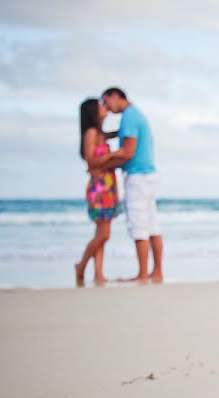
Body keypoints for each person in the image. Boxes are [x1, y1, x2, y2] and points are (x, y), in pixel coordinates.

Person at [100, 87, 163, 283]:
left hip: (137, 177)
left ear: (115, 96)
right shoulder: (135, 115)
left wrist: (103, 162)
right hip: (149, 175)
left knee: (138, 226)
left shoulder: (128, 116)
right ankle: (157, 272)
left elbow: (127, 152)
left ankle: (143, 274)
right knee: (152, 225)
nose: (106, 108)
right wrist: (110, 136)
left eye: (106, 101)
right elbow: (126, 137)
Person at [75, 97, 123, 286]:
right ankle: (81, 265)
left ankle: (98, 274)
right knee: (104, 234)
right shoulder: (91, 132)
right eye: (100, 106)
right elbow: (91, 160)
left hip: (108, 185)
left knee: (101, 234)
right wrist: (114, 155)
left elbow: (112, 135)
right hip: (99, 187)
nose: (105, 108)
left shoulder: (101, 133)